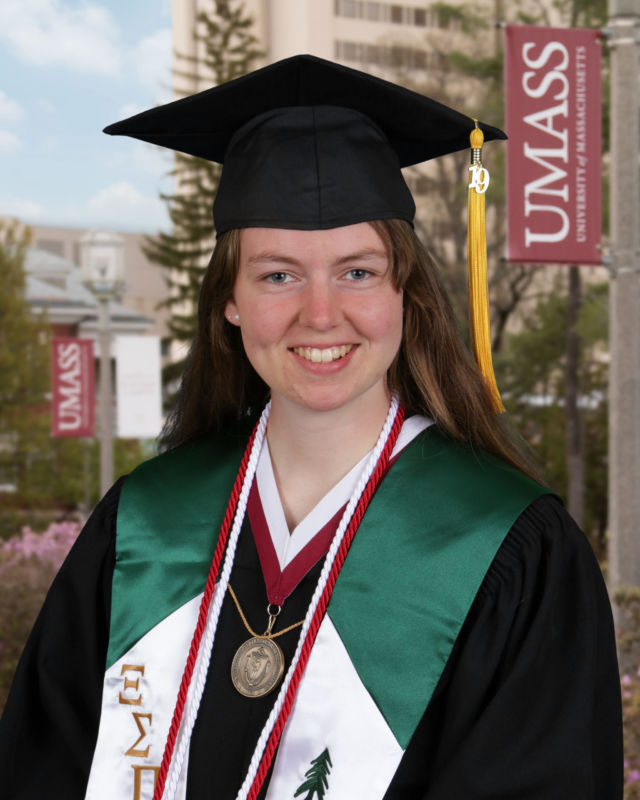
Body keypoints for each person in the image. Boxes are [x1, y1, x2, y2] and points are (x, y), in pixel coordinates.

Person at [0, 55, 622, 800]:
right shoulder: (144, 527)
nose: (320, 315)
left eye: (357, 271)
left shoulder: (508, 552)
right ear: (229, 300)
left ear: (406, 294)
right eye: (278, 275)